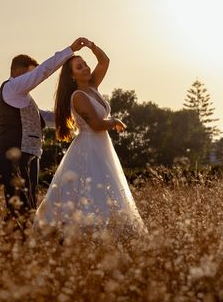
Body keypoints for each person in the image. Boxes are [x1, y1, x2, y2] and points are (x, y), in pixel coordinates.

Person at [33, 40, 147, 235]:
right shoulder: (78, 96)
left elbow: (104, 61)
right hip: (88, 146)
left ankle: (109, 232)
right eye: (79, 67)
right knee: (90, 188)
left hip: (101, 146)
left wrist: (91, 46)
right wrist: (114, 121)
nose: (85, 68)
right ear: (72, 75)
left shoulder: (92, 86)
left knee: (107, 188)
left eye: (85, 64)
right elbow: (95, 124)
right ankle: (83, 232)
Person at [0, 37, 88, 230]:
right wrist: (69, 51)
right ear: (19, 72)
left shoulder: (23, 99)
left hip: (30, 155)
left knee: (27, 208)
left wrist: (79, 115)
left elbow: (42, 117)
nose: (33, 78)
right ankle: (11, 247)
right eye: (30, 73)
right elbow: (43, 72)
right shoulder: (12, 88)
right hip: (14, 156)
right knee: (21, 209)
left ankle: (19, 247)